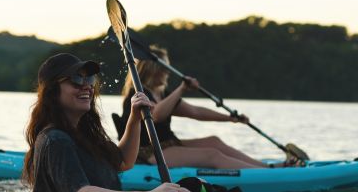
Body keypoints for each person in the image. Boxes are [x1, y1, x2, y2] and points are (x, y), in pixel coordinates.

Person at [24, 53, 214, 192]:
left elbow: (123, 162)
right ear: (52, 91)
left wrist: (134, 119)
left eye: (89, 79)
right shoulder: (55, 140)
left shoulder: (83, 134)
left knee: (196, 186)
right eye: (76, 80)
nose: (86, 87)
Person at [119, 46, 300, 169]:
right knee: (211, 154)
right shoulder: (138, 96)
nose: (167, 72)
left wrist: (230, 118)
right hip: (148, 153)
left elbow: (196, 112)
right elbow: (156, 115)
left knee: (214, 141)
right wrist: (182, 88)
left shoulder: (162, 93)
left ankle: (267, 167)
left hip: (168, 144)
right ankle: (266, 174)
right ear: (152, 70)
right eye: (164, 68)